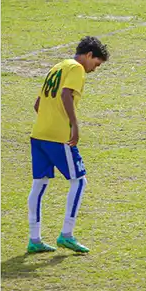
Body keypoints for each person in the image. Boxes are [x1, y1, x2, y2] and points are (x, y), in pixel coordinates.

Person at [26, 37, 110, 254]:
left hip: (38, 134)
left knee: (39, 184)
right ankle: (67, 234)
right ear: (89, 55)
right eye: (96, 64)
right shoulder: (76, 68)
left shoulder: (57, 67)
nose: (94, 69)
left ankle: (34, 239)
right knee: (79, 181)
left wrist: (48, 120)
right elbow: (66, 94)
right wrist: (73, 124)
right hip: (58, 137)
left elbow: (37, 104)